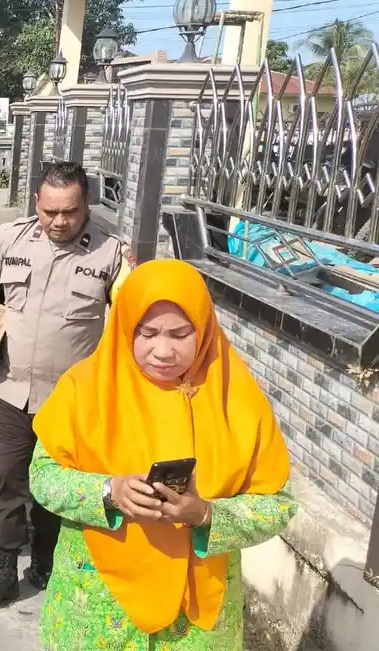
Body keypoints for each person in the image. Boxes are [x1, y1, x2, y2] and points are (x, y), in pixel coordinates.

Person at [29, 258, 296, 649]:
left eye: (180, 334)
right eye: (148, 332)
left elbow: (278, 504)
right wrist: (109, 491)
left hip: (198, 621)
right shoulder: (83, 389)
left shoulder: (239, 400)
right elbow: (43, 476)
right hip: (99, 605)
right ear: (125, 327)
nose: (163, 351)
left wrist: (206, 514)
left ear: (203, 328)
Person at [0, 161, 133, 614]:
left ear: (86, 205)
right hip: (8, 390)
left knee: (55, 488)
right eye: (49, 211)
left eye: (70, 212)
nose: (59, 222)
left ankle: (46, 561)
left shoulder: (111, 254)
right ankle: (3, 571)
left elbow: (132, 319)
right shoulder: (11, 238)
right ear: (37, 204)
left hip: (72, 404)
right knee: (0, 477)